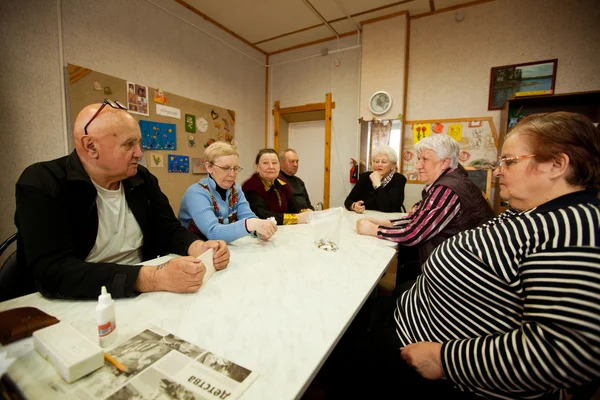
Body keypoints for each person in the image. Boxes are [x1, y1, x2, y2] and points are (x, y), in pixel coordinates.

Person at [325, 112, 600, 399]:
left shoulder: (574, 228)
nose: (498, 171)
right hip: (416, 314)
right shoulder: (536, 214)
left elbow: (569, 351)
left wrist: (445, 359)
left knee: (339, 354)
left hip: (432, 356)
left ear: (557, 165)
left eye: (509, 161)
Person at [14, 100, 230, 300]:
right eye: (129, 144)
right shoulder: (42, 182)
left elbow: (168, 229)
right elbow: (52, 272)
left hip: (139, 292)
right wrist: (152, 277)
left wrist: (198, 247)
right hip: (78, 300)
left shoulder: (141, 178)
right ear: (91, 146)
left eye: (139, 143)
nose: (139, 153)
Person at [356, 134, 494, 270]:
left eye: (425, 159)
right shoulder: (452, 180)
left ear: (444, 163)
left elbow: (415, 233)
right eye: (418, 159)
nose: (417, 166)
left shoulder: (446, 189)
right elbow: (419, 219)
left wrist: (374, 229)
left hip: (460, 270)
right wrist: (383, 222)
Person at [179, 142, 277, 243]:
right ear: (209, 167)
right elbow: (212, 232)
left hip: (221, 249)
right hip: (192, 254)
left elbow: (247, 216)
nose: (232, 174)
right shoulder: (195, 193)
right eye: (226, 168)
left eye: (235, 168)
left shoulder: (236, 190)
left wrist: (259, 231)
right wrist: (250, 224)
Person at [242, 149, 309, 225]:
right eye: (265, 163)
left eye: (274, 163)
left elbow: (293, 206)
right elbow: (262, 215)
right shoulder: (251, 187)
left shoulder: (283, 184)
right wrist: (296, 218)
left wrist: (305, 212)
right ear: (257, 167)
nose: (271, 167)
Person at [344, 145, 406, 213]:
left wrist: (377, 184)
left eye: (384, 162)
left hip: (388, 220)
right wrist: (354, 206)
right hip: (367, 218)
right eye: (376, 161)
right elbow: (348, 201)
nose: (379, 165)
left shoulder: (399, 179)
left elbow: (389, 208)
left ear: (392, 165)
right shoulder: (364, 177)